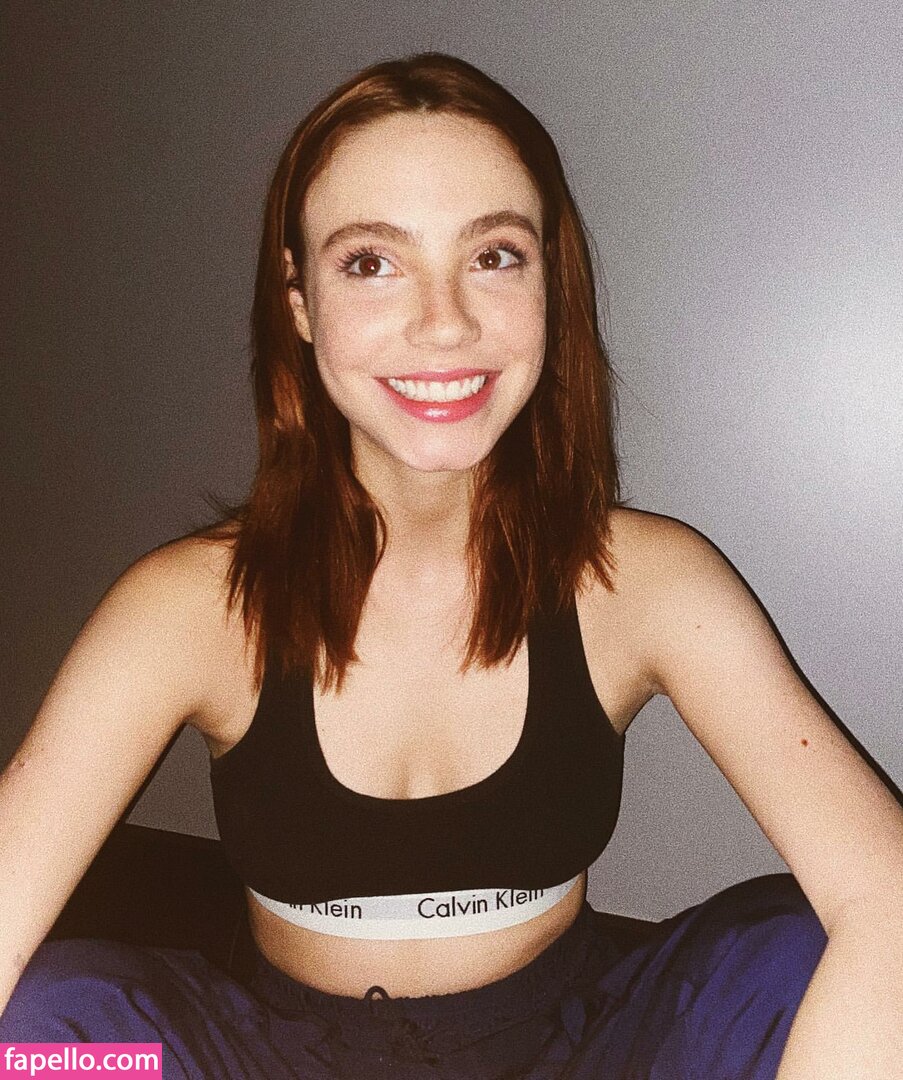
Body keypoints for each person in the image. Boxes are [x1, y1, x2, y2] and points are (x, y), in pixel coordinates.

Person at [0, 52, 900, 1080]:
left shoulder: (648, 581)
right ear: (298, 302)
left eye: (495, 256)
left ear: (550, 285)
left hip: (585, 1051)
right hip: (269, 1057)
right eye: (370, 262)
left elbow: (882, 890)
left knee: (808, 955)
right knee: (45, 1033)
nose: (444, 321)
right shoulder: (188, 607)